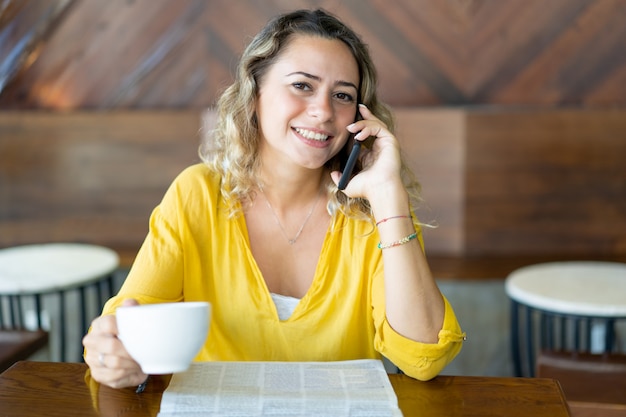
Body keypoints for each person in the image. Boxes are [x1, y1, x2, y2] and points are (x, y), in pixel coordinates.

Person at [82, 8, 465, 389]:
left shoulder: (372, 213)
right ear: (254, 95)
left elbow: (423, 356)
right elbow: (130, 319)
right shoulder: (196, 194)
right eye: (302, 85)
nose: (323, 111)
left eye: (343, 95)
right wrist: (110, 350)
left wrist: (388, 195)